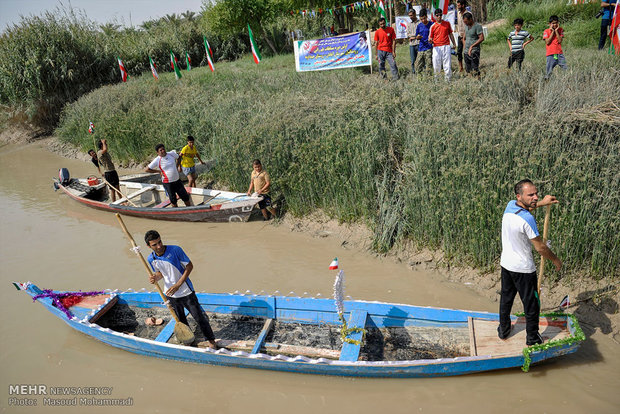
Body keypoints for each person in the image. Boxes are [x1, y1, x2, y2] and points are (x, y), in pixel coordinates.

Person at [498, 179, 562, 346]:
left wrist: (543, 203)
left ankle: (503, 330)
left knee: (506, 299)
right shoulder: (527, 219)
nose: (535, 197)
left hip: (506, 264)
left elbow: (528, 206)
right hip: (524, 270)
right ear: (519, 196)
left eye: (536, 194)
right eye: (531, 195)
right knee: (532, 304)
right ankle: (533, 338)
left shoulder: (510, 206)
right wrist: (555, 260)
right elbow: (540, 248)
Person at [145, 230, 218, 349]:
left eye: (160, 242)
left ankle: (211, 340)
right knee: (180, 319)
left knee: (199, 317)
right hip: (170, 294)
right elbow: (160, 273)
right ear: (148, 246)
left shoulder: (175, 250)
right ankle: (188, 339)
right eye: (155, 245)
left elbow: (189, 266)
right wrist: (155, 278)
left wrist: (178, 285)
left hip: (185, 291)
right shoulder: (150, 258)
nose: (159, 246)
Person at [429, 8, 456, 81]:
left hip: (446, 46)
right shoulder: (433, 26)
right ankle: (436, 81)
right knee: (436, 64)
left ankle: (448, 80)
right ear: (435, 16)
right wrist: (430, 41)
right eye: (437, 15)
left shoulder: (447, 24)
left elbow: (450, 34)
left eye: (440, 15)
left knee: (447, 64)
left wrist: (454, 43)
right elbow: (430, 38)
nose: (439, 17)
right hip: (436, 47)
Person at [462, 12, 484, 78]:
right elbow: (464, 38)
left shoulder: (477, 26)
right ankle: (471, 82)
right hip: (466, 51)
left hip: (474, 51)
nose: (465, 23)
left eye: (466, 21)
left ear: (470, 19)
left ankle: (478, 81)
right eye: (464, 22)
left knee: (475, 68)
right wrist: (464, 46)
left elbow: (482, 38)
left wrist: (472, 46)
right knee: (468, 69)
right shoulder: (466, 26)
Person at [415, 9, 434, 76]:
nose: (423, 20)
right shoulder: (419, 25)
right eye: (421, 19)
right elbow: (416, 36)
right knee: (417, 66)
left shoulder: (432, 24)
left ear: (426, 16)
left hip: (429, 48)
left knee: (429, 66)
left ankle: (429, 79)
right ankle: (419, 79)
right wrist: (418, 37)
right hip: (421, 48)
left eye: (424, 18)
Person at [406, 9, 420, 75]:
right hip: (412, 45)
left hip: (419, 44)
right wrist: (415, 36)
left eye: (411, 15)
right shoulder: (408, 24)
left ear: (415, 14)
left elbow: (420, 34)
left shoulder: (419, 23)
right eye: (409, 16)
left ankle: (421, 72)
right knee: (412, 61)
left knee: (420, 59)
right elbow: (408, 35)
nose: (410, 17)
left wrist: (413, 37)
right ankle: (414, 73)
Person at [456, 0, 468, 73]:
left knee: (466, 52)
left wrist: (465, 36)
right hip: (460, 36)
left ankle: (468, 67)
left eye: (459, 5)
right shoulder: (458, 13)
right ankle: (461, 68)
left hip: (466, 37)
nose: (457, 7)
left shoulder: (468, 14)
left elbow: (470, 26)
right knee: (459, 53)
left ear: (463, 5)